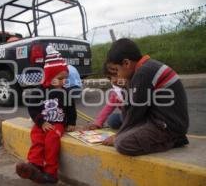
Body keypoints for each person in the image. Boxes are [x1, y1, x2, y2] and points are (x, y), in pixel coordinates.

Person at [103, 38, 189, 156]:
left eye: (117, 70)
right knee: (122, 130)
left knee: (122, 143)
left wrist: (119, 135)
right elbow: (129, 107)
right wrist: (126, 87)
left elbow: (136, 111)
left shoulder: (144, 72)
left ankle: (174, 140)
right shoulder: (141, 70)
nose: (117, 75)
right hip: (157, 120)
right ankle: (172, 137)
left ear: (126, 63)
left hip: (168, 126)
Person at [16, 46, 76, 184]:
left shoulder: (65, 92)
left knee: (51, 141)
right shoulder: (39, 91)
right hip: (42, 123)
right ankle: (34, 166)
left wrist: (72, 123)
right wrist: (41, 122)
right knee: (36, 137)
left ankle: (50, 174)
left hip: (57, 124)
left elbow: (71, 109)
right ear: (49, 77)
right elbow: (32, 108)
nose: (64, 81)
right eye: (60, 78)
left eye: (65, 78)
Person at [86, 62, 125, 130]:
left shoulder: (133, 86)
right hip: (126, 116)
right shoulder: (116, 92)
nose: (113, 80)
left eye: (116, 75)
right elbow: (108, 107)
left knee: (124, 117)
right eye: (110, 78)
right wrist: (97, 123)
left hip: (137, 117)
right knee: (112, 119)